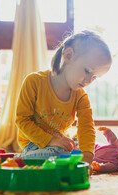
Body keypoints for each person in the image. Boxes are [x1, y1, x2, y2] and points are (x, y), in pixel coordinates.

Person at [15, 30, 112, 174]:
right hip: (33, 143)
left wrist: (87, 157)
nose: (88, 80)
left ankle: (54, 159)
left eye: (94, 77)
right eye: (87, 71)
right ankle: (19, 160)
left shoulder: (81, 96)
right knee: (61, 152)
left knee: (82, 148)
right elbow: (22, 120)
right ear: (68, 56)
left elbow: (86, 127)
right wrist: (50, 140)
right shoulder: (34, 82)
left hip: (57, 144)